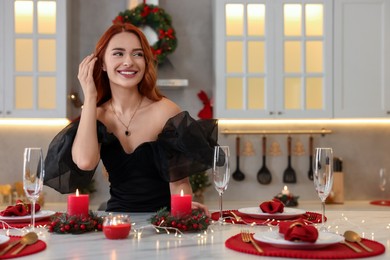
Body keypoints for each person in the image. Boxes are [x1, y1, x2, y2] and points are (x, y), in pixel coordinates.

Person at [44, 23, 218, 215]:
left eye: (137, 54)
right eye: (118, 53)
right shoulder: (96, 114)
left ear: (146, 62)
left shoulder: (165, 111)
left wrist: (182, 211)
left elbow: (180, 183)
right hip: (116, 222)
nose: (129, 62)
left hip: (163, 223)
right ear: (101, 63)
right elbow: (85, 161)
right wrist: (90, 96)